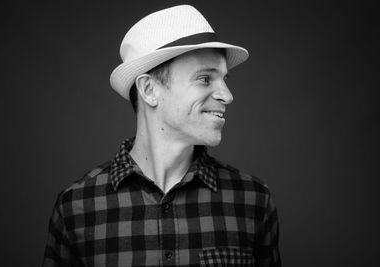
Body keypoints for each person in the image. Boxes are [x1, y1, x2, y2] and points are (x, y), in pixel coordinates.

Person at [42, 5, 281, 267]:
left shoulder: (252, 199)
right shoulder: (78, 207)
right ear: (149, 90)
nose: (227, 95)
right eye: (204, 78)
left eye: (224, 78)